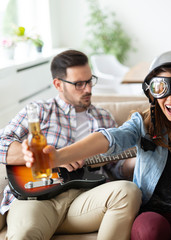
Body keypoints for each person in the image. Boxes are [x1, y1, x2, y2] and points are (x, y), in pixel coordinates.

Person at [22, 50, 171, 240]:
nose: (170, 98)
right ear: (151, 93)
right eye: (160, 88)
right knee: (149, 228)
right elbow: (110, 139)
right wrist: (58, 157)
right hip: (153, 214)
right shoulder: (143, 124)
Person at [0, 49, 141, 239]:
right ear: (58, 84)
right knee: (25, 233)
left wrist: (138, 160)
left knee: (128, 191)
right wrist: (55, 157)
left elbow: (116, 167)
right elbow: (2, 143)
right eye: (79, 84)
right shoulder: (39, 111)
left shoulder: (104, 118)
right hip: (38, 197)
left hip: (85, 201)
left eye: (90, 80)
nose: (89, 89)